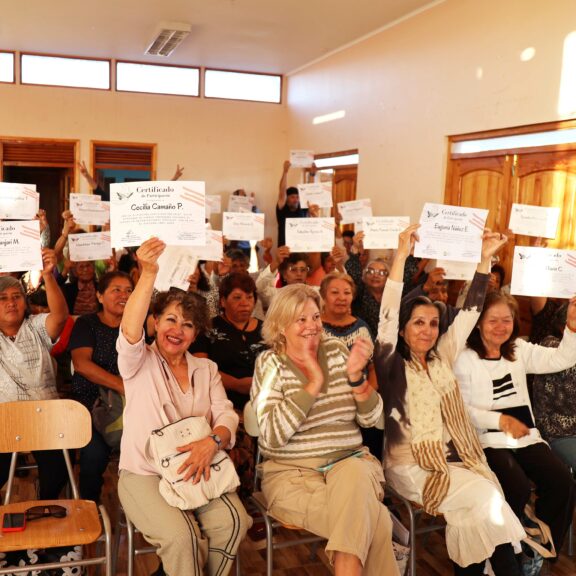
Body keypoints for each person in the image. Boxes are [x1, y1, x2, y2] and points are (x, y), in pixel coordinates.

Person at [377, 225, 524, 576]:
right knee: (487, 498)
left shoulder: (442, 355)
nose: (426, 330)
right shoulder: (391, 364)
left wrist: (484, 259)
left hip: (454, 461)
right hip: (408, 467)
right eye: (417, 323)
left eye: (431, 323)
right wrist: (401, 256)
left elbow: (471, 311)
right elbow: (386, 313)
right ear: (402, 330)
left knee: (478, 509)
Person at [116, 237, 250, 576]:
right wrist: (148, 274)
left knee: (234, 523)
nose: (178, 330)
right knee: (181, 538)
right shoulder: (138, 362)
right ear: (156, 322)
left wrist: (214, 442)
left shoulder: (206, 370)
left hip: (198, 466)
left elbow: (225, 415)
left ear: (196, 334)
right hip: (144, 473)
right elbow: (129, 330)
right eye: (171, 320)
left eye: (188, 325)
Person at [251, 284, 399, 576]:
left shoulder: (336, 352)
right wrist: (313, 385)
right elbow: (271, 436)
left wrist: (357, 379)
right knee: (375, 519)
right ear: (281, 326)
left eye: (316, 317)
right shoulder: (270, 364)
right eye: (301, 319)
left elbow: (372, 418)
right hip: (292, 475)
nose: (312, 326)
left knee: (355, 475)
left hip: (349, 463)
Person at [454, 291, 576, 554]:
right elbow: (462, 410)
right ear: (478, 323)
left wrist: (572, 328)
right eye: (493, 320)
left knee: (562, 481)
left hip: (525, 438)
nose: (501, 327)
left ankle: (539, 549)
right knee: (516, 486)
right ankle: (506, 551)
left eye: (506, 320)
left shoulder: (518, 349)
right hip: (487, 441)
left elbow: (560, 359)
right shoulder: (464, 357)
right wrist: (500, 420)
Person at [0, 250, 70, 499]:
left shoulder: (36, 326)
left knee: (58, 472)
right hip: (3, 423)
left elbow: (60, 317)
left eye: (17, 296)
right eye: (3, 298)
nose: (11, 302)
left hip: (45, 419)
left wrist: (49, 275)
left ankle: (44, 508)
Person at [191, 273, 266, 497]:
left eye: (249, 297)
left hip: (264, 400)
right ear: (222, 301)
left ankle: (271, 492)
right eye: (237, 297)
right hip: (224, 402)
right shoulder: (208, 329)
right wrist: (237, 384)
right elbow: (201, 366)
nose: (245, 303)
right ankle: (241, 500)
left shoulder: (267, 329)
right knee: (239, 440)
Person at [69, 271, 134, 501]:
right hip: (90, 404)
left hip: (131, 406)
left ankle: (141, 507)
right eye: (116, 289)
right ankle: (90, 507)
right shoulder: (87, 324)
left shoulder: (135, 328)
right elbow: (81, 364)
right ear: (99, 295)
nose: (123, 295)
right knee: (93, 455)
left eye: (128, 290)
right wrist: (122, 386)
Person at [276, 160, 308, 247]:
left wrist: (312, 175)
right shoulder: (283, 208)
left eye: (297, 197)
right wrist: (285, 172)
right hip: (284, 249)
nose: (296, 199)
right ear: (287, 199)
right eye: (292, 197)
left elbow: (310, 192)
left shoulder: (303, 208)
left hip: (300, 248)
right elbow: (282, 191)